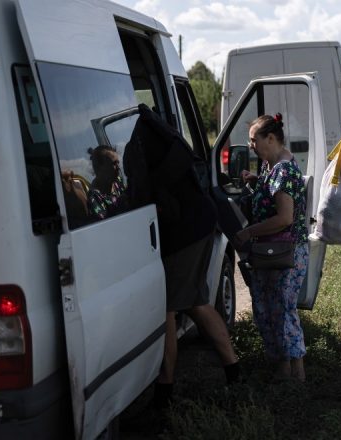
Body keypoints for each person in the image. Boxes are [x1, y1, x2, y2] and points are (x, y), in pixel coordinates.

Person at [123, 104, 241, 407]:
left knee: (169, 309)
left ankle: (164, 392)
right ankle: (234, 373)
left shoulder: (137, 143)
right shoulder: (155, 132)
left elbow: (149, 200)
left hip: (186, 232)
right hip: (201, 221)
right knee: (198, 302)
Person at [235, 113, 309, 382]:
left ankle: (296, 376)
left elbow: (284, 218)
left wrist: (248, 232)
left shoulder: (283, 171)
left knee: (283, 311)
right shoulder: (273, 166)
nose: (251, 145)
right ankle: (282, 369)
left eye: (254, 140)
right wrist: (258, 182)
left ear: (270, 138)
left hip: (283, 253)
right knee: (270, 308)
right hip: (274, 252)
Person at [86, 145, 128, 220]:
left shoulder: (117, 182)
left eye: (118, 163)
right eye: (114, 164)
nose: (118, 167)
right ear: (100, 168)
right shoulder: (95, 197)